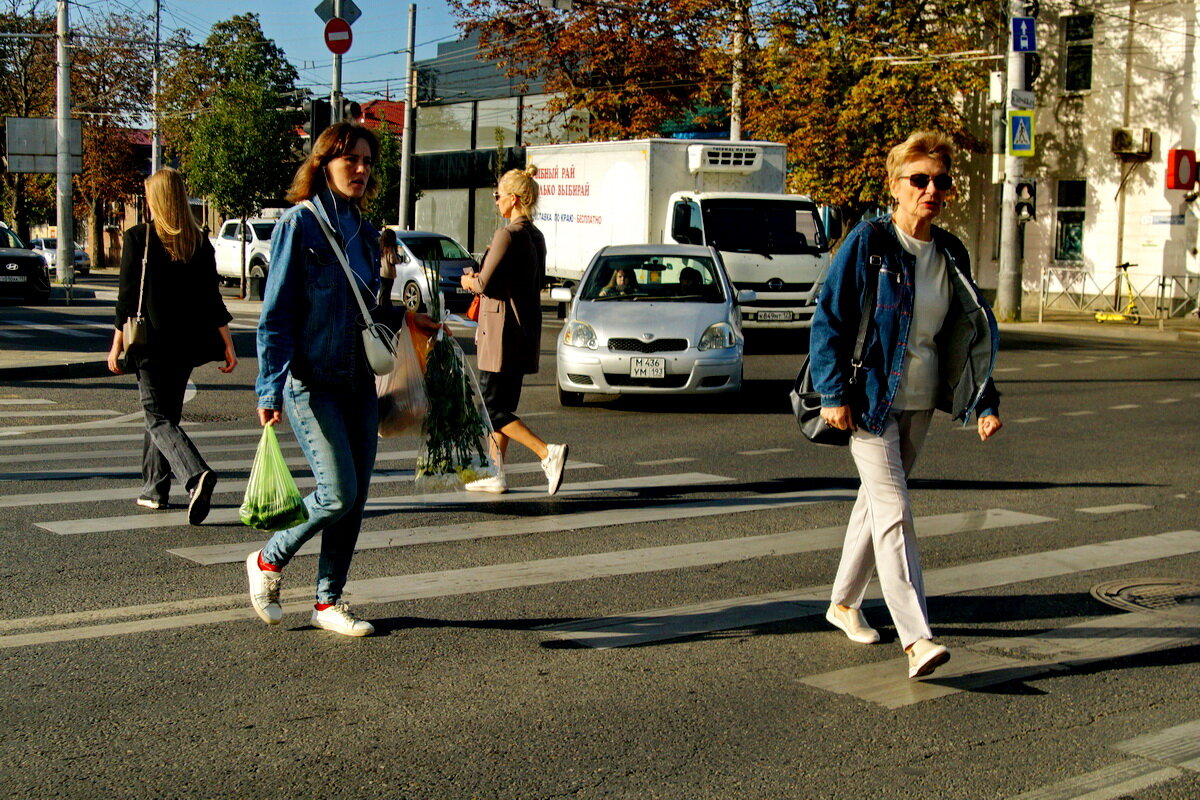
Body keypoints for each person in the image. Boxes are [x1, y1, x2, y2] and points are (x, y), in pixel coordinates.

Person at [809, 131, 1003, 680]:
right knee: (895, 512)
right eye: (918, 180)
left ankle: (842, 604)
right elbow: (831, 317)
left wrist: (983, 400)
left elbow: (967, 334)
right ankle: (917, 639)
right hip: (869, 402)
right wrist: (832, 393)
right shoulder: (869, 242)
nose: (931, 190)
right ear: (894, 186)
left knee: (876, 507)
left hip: (919, 403)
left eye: (940, 181)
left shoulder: (950, 252)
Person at [246, 121, 385, 638]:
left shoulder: (367, 233)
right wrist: (269, 385)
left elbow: (371, 312)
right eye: (352, 160)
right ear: (324, 162)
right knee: (336, 493)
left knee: (356, 499)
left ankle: (328, 601)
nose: (362, 170)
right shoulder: (298, 225)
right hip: (312, 382)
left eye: (368, 162)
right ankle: (267, 559)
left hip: (359, 383)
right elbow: (276, 313)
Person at [107, 167, 237, 524]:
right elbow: (214, 301)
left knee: (158, 418)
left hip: (150, 345)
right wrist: (228, 345)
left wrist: (115, 345)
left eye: (149, 196)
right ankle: (154, 490)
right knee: (166, 418)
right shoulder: (198, 243)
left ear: (157, 200)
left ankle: (196, 475)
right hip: (186, 347)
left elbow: (126, 299)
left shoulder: (139, 238)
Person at [458, 166, 568, 496]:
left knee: (489, 409)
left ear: (514, 199)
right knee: (502, 406)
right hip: (523, 332)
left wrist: (467, 280)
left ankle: (546, 452)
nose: (495, 202)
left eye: (498, 196)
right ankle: (496, 473)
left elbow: (483, 283)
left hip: (500, 334)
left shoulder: (507, 234)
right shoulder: (536, 235)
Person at [378, 227, 399, 308]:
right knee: (387, 293)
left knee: (382, 293)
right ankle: (385, 308)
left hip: (381, 272)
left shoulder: (381, 247)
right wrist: (399, 259)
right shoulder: (390, 248)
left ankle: (382, 306)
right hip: (388, 273)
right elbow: (393, 260)